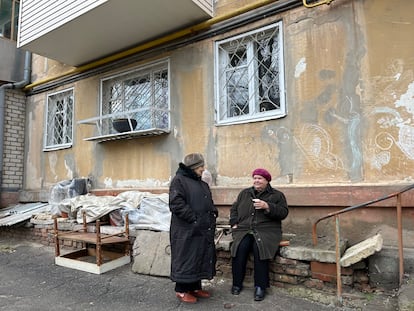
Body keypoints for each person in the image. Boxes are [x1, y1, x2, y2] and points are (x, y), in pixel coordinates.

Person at [229, 168, 289, 301]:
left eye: (260, 178)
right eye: (255, 178)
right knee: (239, 247)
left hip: (267, 230)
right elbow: (234, 209)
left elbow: (284, 212)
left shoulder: (277, 195)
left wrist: (267, 206)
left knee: (259, 248)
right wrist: (233, 223)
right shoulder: (245, 193)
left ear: (267, 181)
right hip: (244, 229)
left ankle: (260, 287)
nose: (256, 180)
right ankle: (237, 283)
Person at [169, 153, 218, 304]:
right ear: (192, 167)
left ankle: (195, 287)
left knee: (198, 257)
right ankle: (182, 290)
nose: (203, 169)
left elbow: (206, 201)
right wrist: (194, 219)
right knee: (186, 258)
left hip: (202, 228)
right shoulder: (179, 180)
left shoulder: (200, 182)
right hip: (186, 229)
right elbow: (176, 204)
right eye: (200, 166)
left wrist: (213, 212)